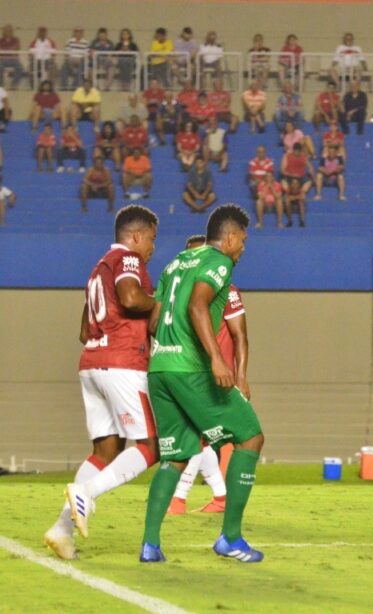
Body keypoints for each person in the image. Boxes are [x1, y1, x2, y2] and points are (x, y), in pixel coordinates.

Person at [140, 205, 265, 562]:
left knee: (176, 456)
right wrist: (215, 357)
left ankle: (150, 545)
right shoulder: (219, 262)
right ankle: (231, 538)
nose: (243, 246)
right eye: (242, 238)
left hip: (159, 368)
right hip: (189, 368)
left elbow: (153, 321)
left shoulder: (177, 262)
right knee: (251, 436)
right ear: (228, 237)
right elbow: (197, 306)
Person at [44, 205, 160, 560]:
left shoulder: (97, 269)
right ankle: (87, 493)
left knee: (106, 451)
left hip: (92, 363)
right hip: (122, 361)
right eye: (152, 240)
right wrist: (158, 305)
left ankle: (63, 529)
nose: (152, 248)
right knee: (150, 446)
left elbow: (83, 331)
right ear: (136, 236)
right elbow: (130, 297)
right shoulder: (128, 260)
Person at [167, 234, 245, 516]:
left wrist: (241, 376)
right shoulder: (181, 290)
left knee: (193, 436)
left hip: (214, 376)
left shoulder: (226, 289)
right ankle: (221, 497)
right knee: (201, 438)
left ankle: (179, 499)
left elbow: (240, 335)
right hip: (189, 371)